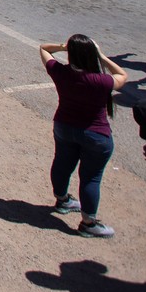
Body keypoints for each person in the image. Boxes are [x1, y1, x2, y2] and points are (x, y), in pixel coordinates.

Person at [39, 35, 128, 238]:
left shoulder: (60, 72)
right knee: (91, 178)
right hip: (95, 135)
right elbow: (122, 75)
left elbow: (44, 48)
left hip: (64, 126)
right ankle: (88, 222)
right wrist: (101, 56)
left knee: (62, 163)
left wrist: (64, 46)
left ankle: (62, 201)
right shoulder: (101, 81)